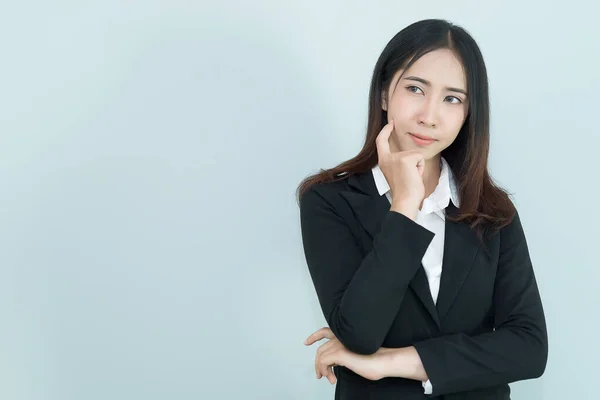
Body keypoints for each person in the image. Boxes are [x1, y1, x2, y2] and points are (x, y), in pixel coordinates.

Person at [296, 19, 548, 399]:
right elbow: (361, 333)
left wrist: (393, 362)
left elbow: (529, 348)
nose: (430, 115)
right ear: (384, 94)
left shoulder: (493, 211)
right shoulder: (329, 201)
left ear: (468, 114)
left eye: (453, 98)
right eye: (415, 89)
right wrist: (404, 206)